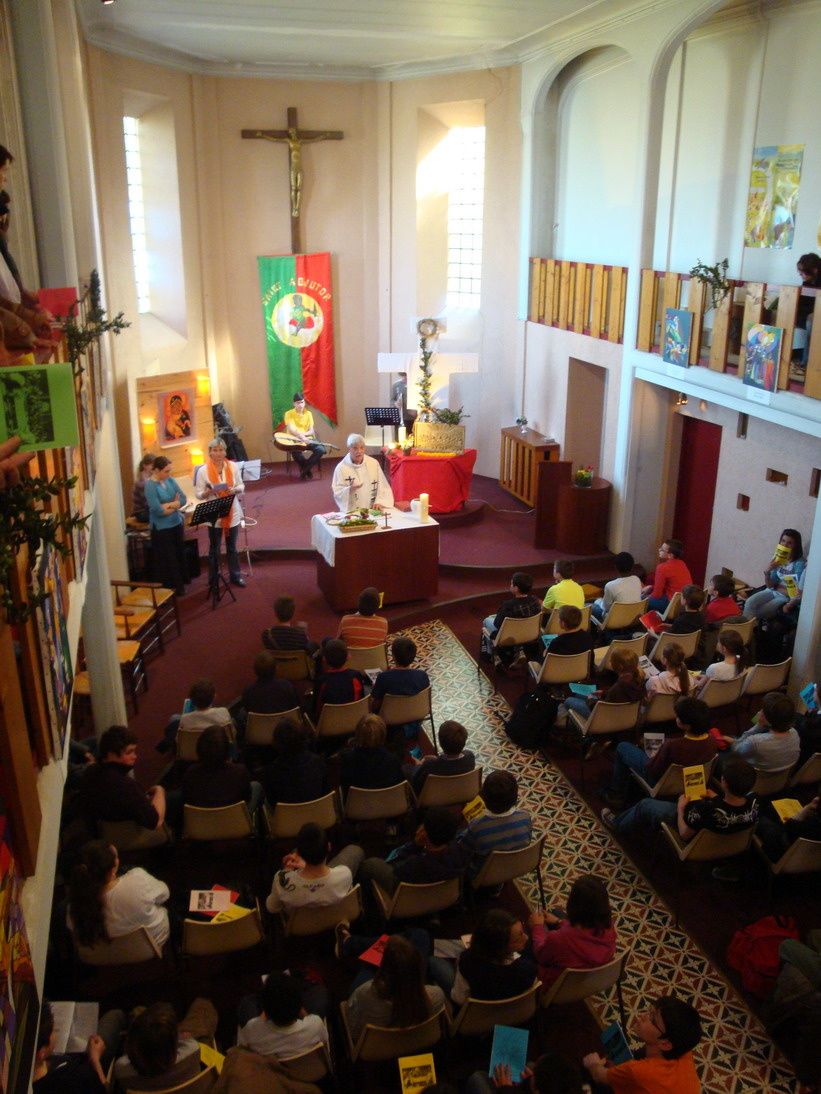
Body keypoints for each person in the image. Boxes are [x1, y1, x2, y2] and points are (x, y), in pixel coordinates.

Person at [602, 754, 758, 839]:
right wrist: (715, 796)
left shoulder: (705, 809)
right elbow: (728, 809)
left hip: (687, 826)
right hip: (724, 840)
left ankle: (617, 824)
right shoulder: (755, 803)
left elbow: (684, 833)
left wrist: (681, 808)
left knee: (646, 805)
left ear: (724, 782)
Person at [601, 696, 717, 808]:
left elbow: (652, 770)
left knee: (623, 747)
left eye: (678, 716)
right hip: (691, 782)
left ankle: (616, 795)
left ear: (686, 725)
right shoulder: (712, 740)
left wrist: (655, 755)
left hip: (659, 781)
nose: (676, 718)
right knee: (651, 741)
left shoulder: (672, 745)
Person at [583, 994, 702, 1092]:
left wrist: (593, 1064)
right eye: (650, 1011)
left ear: (666, 1044)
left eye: (652, 1019)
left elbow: (599, 1075)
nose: (643, 1016)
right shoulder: (683, 1048)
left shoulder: (638, 1071)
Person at [67, 839, 170, 951]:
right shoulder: (138, 880)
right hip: (151, 946)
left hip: (103, 956)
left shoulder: (73, 909)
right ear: (112, 870)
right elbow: (165, 894)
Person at [346, 934, 446, 1043]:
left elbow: (353, 1031)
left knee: (368, 965)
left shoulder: (364, 993)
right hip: (415, 1044)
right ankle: (349, 941)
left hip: (377, 1048)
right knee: (420, 934)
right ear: (418, 969)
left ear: (383, 967)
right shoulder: (437, 995)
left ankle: (348, 942)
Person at [529, 875, 616, 986]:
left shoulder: (557, 939)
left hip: (561, 985)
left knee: (527, 950)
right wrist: (559, 922)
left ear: (573, 904)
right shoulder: (608, 925)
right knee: (556, 913)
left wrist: (537, 927)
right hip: (594, 979)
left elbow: (540, 956)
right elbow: (582, 935)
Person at [77, 725, 166, 833]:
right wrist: (159, 790)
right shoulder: (125, 785)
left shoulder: (90, 771)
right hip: (126, 834)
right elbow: (155, 822)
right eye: (129, 752)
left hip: (99, 831)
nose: (135, 756)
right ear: (111, 754)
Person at [113, 1001, 218, 1092]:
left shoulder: (122, 1070)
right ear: (175, 1044)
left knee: (138, 1011)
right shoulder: (192, 1050)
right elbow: (188, 1042)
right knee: (203, 1004)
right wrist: (180, 1036)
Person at [359, 806, 469, 893]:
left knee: (370, 864)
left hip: (408, 895)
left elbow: (392, 862)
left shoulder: (415, 865)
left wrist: (414, 845)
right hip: (443, 897)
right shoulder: (459, 851)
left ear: (425, 834)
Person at [265, 822, 364, 914]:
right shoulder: (344, 874)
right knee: (355, 850)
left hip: (301, 926)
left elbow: (272, 908)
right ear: (329, 847)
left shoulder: (281, 881)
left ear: (300, 853)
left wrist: (287, 870)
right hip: (334, 921)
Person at [33, 1001, 125, 1094]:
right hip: (94, 1069)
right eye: (53, 1031)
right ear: (42, 1052)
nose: (56, 1031)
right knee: (116, 1015)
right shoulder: (74, 1081)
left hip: (79, 1060)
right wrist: (95, 1060)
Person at [447, 908, 538, 1003]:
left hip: (481, 1010)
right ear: (501, 948)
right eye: (518, 938)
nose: (526, 937)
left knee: (438, 964)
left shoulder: (467, 961)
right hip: (517, 1010)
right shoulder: (527, 970)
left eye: (522, 932)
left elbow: (459, 999)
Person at [194, 436, 246, 588]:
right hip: (214, 513)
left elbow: (241, 486)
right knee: (214, 548)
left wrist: (234, 490)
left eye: (221, 450)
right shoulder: (202, 471)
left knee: (232, 547)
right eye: (215, 450)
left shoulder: (232, 466)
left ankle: (235, 576)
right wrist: (207, 492)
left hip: (232, 510)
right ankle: (214, 579)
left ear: (225, 451)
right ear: (210, 452)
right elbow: (198, 494)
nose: (218, 453)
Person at [237, 972, 329, 1058]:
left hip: (270, 1069)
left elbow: (243, 1049)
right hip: (307, 1069)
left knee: (247, 1002)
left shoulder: (252, 1030)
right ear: (299, 1006)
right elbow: (324, 1041)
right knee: (320, 992)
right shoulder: (315, 1024)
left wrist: (267, 1010)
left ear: (265, 1011)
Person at [181, 725, 263, 813]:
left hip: (199, 820)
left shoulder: (190, 774)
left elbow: (187, 799)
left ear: (199, 747)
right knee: (256, 786)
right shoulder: (240, 772)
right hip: (235, 818)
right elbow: (247, 797)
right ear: (228, 749)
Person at [458, 770, 532, 863]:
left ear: (484, 798)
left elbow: (463, 849)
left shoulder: (476, 826)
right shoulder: (525, 817)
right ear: (515, 797)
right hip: (516, 865)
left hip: (484, 870)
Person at [717, 691, 800, 773]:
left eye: (763, 711)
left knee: (725, 748)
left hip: (754, 775)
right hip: (781, 776)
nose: (760, 712)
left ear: (769, 719)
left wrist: (759, 725)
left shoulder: (755, 741)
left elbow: (738, 749)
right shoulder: (794, 733)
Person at [558, 649, 644, 726]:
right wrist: (604, 693)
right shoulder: (636, 679)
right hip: (622, 715)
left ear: (620, 667)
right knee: (577, 695)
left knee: (568, 700)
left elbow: (602, 707)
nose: (610, 661)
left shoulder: (619, 687)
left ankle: (562, 723)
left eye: (611, 661)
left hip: (603, 719)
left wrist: (591, 699)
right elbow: (616, 696)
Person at [144, 455, 188, 596]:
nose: (169, 474)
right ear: (156, 470)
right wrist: (175, 505)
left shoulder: (170, 480)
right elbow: (158, 510)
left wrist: (169, 505)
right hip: (161, 528)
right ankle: (175, 588)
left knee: (179, 553)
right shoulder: (150, 486)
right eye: (166, 471)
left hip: (176, 522)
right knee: (169, 559)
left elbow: (183, 499)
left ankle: (182, 581)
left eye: (170, 471)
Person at [370, 635, 430, 736]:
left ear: (393, 656)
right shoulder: (422, 676)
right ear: (413, 656)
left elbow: (375, 706)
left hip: (389, 720)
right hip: (415, 715)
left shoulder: (383, 677)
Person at [260, 717, 328, 807]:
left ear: (277, 743)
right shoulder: (318, 762)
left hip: (286, 816)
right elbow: (325, 792)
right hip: (318, 813)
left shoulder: (270, 772)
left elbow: (272, 802)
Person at [482, 572, 543, 667]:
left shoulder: (508, 605)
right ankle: (518, 650)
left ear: (516, 588)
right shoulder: (535, 601)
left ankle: (493, 654)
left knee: (487, 620)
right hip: (530, 634)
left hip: (509, 636)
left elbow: (497, 624)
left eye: (511, 584)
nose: (510, 586)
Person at [743, 528, 806, 621]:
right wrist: (768, 572)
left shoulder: (799, 563)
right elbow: (770, 585)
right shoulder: (778, 558)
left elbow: (796, 591)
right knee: (749, 603)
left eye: (789, 543)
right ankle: (745, 628)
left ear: (796, 546)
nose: (785, 545)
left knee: (759, 612)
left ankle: (748, 627)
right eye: (783, 541)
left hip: (785, 597)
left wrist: (777, 587)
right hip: (771, 591)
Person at [406, 719, 475, 794]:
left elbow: (415, 781)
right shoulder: (470, 757)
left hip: (431, 798)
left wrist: (419, 763)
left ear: (440, 743)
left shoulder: (429, 766)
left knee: (405, 768)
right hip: (459, 794)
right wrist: (436, 759)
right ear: (464, 743)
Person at [339, 714, 403, 792]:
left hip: (358, 800)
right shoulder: (393, 761)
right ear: (383, 734)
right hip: (387, 799)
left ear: (358, 734)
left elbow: (344, 787)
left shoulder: (347, 760)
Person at [331, 432, 394, 512]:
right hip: (352, 511)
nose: (359, 451)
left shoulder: (373, 463)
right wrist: (349, 489)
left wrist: (379, 502)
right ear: (349, 449)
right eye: (355, 448)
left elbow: (383, 485)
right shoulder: (341, 468)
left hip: (372, 508)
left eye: (362, 448)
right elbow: (337, 492)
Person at [312, 639, 370, 716]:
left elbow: (316, 710)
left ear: (324, 659)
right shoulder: (356, 676)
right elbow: (360, 700)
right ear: (347, 657)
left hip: (328, 722)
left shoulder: (321, 681)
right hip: (354, 718)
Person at [240, 650, 300, 720]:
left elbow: (248, 710)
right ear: (276, 668)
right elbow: (296, 707)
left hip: (260, 726)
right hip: (287, 724)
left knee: (241, 713)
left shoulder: (248, 691)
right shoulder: (287, 686)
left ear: (255, 671)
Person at [641, 539, 692, 613]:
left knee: (639, 599)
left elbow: (656, 595)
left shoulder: (662, 567)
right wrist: (651, 587)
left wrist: (645, 597)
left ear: (670, 555)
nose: (659, 550)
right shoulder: (682, 564)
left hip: (671, 605)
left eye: (662, 549)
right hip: (683, 604)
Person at [282, 392, 325, 479]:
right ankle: (307, 470)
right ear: (294, 404)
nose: (300, 405)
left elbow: (311, 431)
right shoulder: (288, 414)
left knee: (321, 449)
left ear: (304, 403)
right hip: (294, 440)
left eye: (302, 402)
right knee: (296, 454)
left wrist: (304, 436)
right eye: (298, 403)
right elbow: (291, 429)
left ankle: (305, 469)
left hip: (307, 439)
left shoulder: (309, 413)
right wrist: (301, 437)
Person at [693, 629, 747, 695]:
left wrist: (692, 679)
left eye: (718, 642)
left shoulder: (714, 668)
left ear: (724, 648)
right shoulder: (742, 662)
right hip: (730, 696)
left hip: (711, 698)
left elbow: (699, 685)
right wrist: (707, 676)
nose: (717, 644)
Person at [592, 552, 643, 622]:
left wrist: (598, 601)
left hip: (616, 621)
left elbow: (605, 608)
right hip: (634, 618)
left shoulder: (610, 585)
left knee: (590, 607)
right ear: (632, 566)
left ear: (615, 567)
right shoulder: (637, 579)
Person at [796, 252, 821, 368]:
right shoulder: (807, 281)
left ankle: (806, 362)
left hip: (816, 314)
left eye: (803, 272)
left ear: (814, 270)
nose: (800, 274)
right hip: (809, 313)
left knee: (812, 321)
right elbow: (803, 302)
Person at [130, 453, 154, 523]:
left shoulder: (150, 479)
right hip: (141, 513)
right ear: (144, 466)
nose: (154, 468)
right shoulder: (142, 482)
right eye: (152, 465)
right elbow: (147, 503)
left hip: (147, 510)